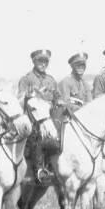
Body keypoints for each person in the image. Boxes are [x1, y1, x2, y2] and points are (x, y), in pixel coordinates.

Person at [18, 49, 60, 183]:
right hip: (32, 119)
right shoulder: (26, 79)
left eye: (45, 61)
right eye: (40, 61)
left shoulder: (51, 80)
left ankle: (58, 168)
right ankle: (39, 170)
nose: (43, 64)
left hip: (47, 118)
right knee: (37, 138)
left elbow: (57, 98)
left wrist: (58, 101)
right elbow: (19, 101)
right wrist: (27, 96)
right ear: (34, 61)